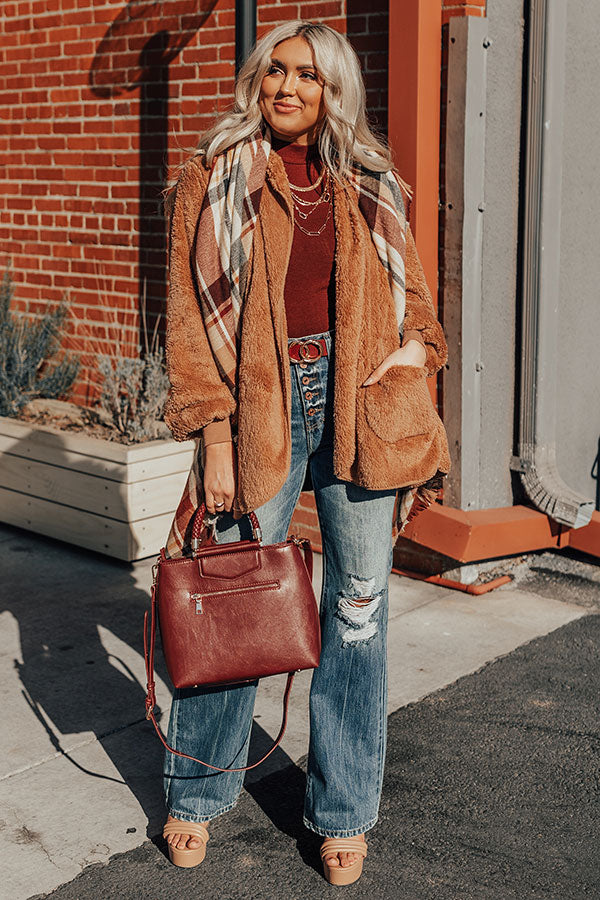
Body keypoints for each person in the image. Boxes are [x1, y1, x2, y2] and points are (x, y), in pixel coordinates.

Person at [159, 19, 450, 887]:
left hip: (359, 407)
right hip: (261, 410)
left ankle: (344, 811)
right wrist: (212, 433)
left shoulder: (370, 181)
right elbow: (187, 327)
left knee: (357, 613)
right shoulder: (212, 179)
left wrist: (415, 354)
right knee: (236, 601)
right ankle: (196, 796)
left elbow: (421, 310)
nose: (288, 87)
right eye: (277, 70)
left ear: (334, 92)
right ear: (259, 78)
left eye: (309, 76)